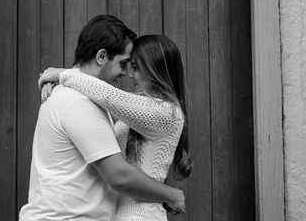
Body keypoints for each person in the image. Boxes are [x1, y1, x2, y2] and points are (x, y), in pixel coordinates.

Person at [19, 15, 185, 221]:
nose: (126, 73)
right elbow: (120, 176)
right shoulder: (79, 102)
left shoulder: (164, 112)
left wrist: (63, 75)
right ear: (101, 57)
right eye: (125, 64)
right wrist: (172, 195)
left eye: (134, 67)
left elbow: (112, 97)